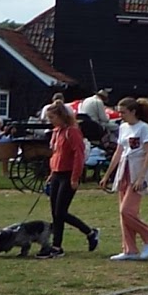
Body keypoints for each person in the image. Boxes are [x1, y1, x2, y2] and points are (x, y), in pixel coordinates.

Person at [38, 104, 101, 259]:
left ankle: (89, 232)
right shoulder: (56, 132)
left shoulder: (72, 132)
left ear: (61, 116)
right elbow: (56, 154)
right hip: (57, 174)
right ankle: (57, 245)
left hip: (68, 174)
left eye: (52, 117)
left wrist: (75, 177)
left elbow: (78, 155)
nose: (50, 121)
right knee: (55, 213)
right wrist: (52, 172)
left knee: (60, 212)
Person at [103, 97, 148, 260]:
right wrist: (108, 174)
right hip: (124, 171)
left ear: (133, 112)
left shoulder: (143, 128)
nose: (121, 115)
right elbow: (119, 152)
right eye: (119, 112)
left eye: (123, 112)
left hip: (138, 171)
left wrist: (141, 177)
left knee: (127, 211)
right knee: (124, 214)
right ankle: (130, 249)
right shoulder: (123, 127)